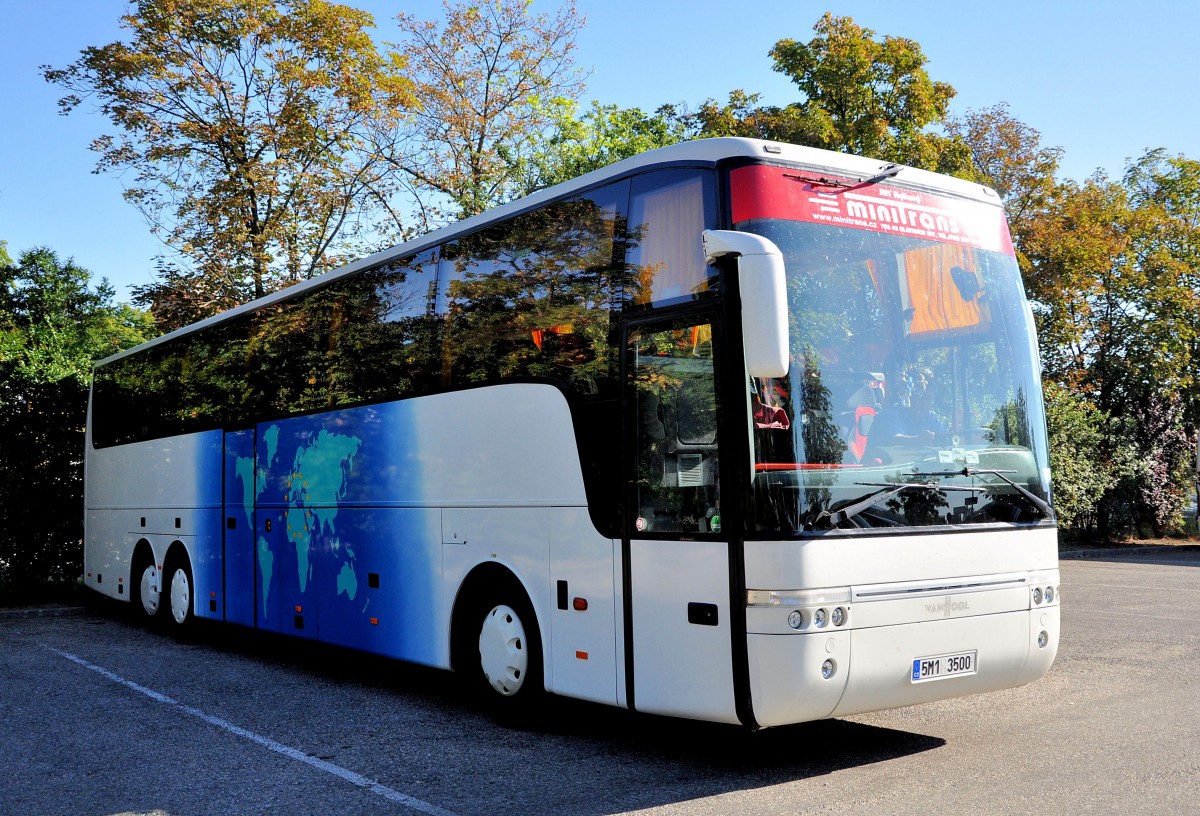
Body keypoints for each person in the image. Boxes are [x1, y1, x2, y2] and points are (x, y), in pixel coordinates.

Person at [863, 369, 947, 464]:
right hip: (882, 474)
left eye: (928, 399)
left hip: (919, 472)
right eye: (918, 398)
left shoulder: (930, 417)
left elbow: (945, 437)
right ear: (907, 396)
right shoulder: (889, 415)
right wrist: (918, 440)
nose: (924, 404)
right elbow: (894, 441)